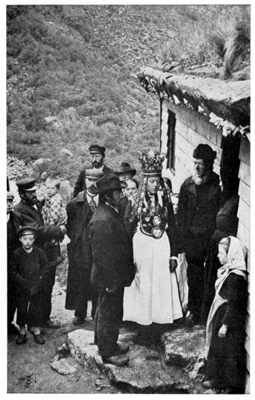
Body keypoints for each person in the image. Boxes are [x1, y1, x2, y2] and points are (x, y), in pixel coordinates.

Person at [123, 150, 183, 340]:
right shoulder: (136, 201)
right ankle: (142, 323)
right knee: (144, 282)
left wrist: (173, 254)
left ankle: (160, 321)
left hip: (162, 245)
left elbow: (172, 226)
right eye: (151, 181)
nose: (155, 184)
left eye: (157, 181)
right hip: (142, 245)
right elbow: (129, 226)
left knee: (160, 283)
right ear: (145, 182)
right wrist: (127, 257)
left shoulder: (165, 200)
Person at [89, 174, 135, 366]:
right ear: (107, 196)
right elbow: (101, 256)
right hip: (109, 276)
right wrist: (109, 281)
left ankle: (107, 343)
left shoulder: (109, 212)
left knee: (109, 309)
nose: (121, 194)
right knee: (109, 311)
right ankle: (108, 352)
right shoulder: (102, 220)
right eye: (118, 192)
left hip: (113, 275)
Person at [177, 144, 221, 325]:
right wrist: (182, 240)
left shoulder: (217, 186)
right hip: (192, 241)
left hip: (210, 240)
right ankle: (194, 311)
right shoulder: (187, 185)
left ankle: (206, 312)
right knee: (193, 276)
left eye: (200, 164)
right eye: (194, 162)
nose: (196, 167)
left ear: (209, 165)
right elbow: (181, 214)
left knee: (210, 276)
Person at [14, 177, 65, 328]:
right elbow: (37, 229)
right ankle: (35, 322)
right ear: (22, 194)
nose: (34, 194)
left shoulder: (36, 203)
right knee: (37, 288)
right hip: (35, 256)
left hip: (48, 252)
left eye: (35, 191)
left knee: (48, 285)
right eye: (30, 193)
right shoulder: (19, 211)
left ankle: (44, 319)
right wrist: (59, 230)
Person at [204, 236, 247, 393]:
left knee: (227, 352)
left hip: (228, 322)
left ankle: (227, 383)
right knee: (217, 348)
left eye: (221, 253)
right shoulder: (227, 271)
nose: (218, 256)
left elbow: (234, 302)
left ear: (230, 254)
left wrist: (225, 324)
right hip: (220, 316)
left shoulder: (236, 277)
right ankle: (215, 377)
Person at [65, 169, 103, 325]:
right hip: (81, 249)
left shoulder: (105, 201)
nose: (92, 183)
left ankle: (96, 311)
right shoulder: (75, 204)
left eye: (96, 180)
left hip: (99, 248)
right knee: (81, 280)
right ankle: (80, 313)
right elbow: (70, 226)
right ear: (85, 181)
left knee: (98, 279)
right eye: (89, 180)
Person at [9, 226, 49, 345]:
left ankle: (35, 329)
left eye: (31, 239)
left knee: (36, 307)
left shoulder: (39, 253)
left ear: (34, 240)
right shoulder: (16, 254)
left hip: (36, 286)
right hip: (21, 286)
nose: (28, 241)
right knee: (21, 308)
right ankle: (22, 331)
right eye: (25, 239)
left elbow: (45, 268)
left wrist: (39, 281)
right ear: (20, 239)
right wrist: (23, 282)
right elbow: (12, 271)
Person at [7, 191, 21, 336]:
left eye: (10, 202)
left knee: (13, 294)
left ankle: (8, 322)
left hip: (13, 264)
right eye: (5, 202)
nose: (9, 205)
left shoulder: (16, 218)